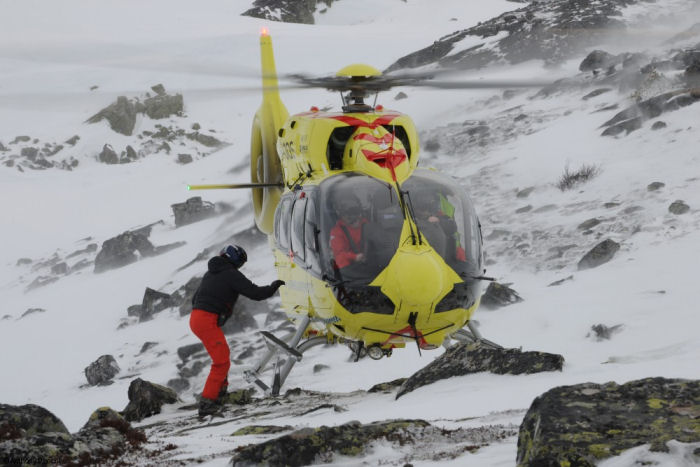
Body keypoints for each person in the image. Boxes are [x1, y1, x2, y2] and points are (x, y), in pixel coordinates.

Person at [189, 244, 284, 417]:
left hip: (197, 318)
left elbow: (195, 298)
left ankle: (220, 392)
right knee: (221, 361)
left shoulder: (211, 272)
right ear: (234, 258)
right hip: (206, 320)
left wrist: (213, 309)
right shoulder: (230, 273)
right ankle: (207, 403)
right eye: (241, 262)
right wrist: (272, 287)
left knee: (222, 355)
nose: (240, 266)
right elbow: (254, 292)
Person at [329, 197, 368, 271]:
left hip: (371, 264)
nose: (353, 217)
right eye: (348, 214)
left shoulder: (366, 225)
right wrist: (355, 257)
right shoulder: (337, 231)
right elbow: (339, 255)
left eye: (355, 212)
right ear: (342, 215)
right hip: (351, 270)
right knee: (340, 260)